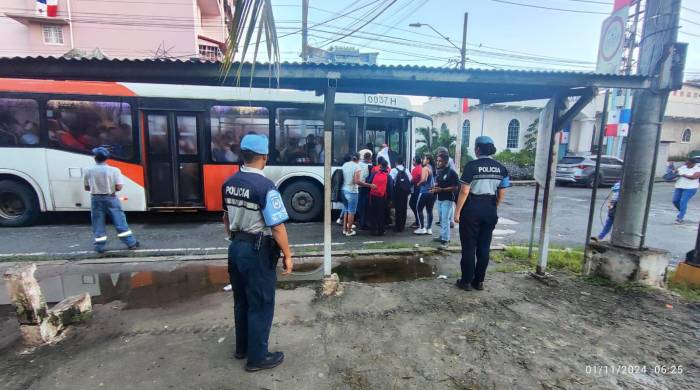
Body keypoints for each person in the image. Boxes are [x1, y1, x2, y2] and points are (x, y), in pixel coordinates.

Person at [222, 134, 293, 372]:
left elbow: (225, 217)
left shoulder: (229, 183)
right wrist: (288, 255)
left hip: (236, 247)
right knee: (261, 304)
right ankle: (258, 358)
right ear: (264, 157)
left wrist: (233, 237)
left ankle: (242, 348)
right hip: (257, 251)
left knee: (241, 301)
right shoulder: (265, 186)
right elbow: (277, 226)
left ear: (243, 155)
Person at [454, 136, 509, 291]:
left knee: (469, 247)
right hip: (490, 208)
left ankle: (466, 282)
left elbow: (464, 191)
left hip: (472, 208)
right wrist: (494, 206)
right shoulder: (500, 167)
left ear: (478, 149)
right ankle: (479, 282)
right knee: (484, 247)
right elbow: (502, 193)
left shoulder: (472, 166)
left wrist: (457, 212)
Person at [83, 147, 139, 253]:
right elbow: (118, 187)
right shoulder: (114, 170)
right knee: (119, 221)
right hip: (111, 198)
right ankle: (131, 243)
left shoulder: (88, 171)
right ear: (107, 158)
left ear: (95, 158)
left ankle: (99, 247)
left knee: (98, 223)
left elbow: (86, 188)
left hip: (95, 199)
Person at [341, 153, 375, 236]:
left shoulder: (345, 164)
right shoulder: (357, 167)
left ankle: (344, 229)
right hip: (352, 191)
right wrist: (369, 185)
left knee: (346, 210)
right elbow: (357, 181)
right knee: (352, 212)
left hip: (343, 190)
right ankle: (349, 231)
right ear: (358, 159)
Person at [431, 153, 459, 246]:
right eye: (437, 160)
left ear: (446, 162)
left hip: (448, 199)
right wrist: (435, 187)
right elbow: (439, 183)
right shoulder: (440, 171)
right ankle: (442, 236)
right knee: (441, 219)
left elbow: (455, 187)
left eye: (440, 161)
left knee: (445, 220)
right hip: (439, 198)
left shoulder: (452, 172)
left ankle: (446, 240)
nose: (437, 163)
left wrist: (442, 189)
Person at [368, 158, 394, 236]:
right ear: (387, 167)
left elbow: (369, 182)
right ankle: (381, 231)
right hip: (382, 197)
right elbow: (390, 188)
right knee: (381, 214)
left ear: (380, 166)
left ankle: (372, 230)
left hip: (373, 196)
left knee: (373, 213)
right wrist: (390, 199)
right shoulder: (388, 176)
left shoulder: (374, 174)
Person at [672, 158, 700, 224]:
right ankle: (682, 211)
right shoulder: (683, 167)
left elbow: (693, 177)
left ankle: (680, 218)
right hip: (679, 186)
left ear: (693, 164)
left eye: (689, 164)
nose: (687, 165)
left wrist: (683, 175)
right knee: (675, 201)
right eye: (686, 163)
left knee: (683, 201)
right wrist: (676, 170)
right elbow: (674, 172)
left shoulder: (697, 169)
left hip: (690, 188)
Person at [414, 154, 436, 235]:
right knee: (429, 210)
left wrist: (418, 183)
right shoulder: (432, 168)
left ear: (428, 160)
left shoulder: (425, 168)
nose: (423, 160)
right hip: (432, 193)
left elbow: (424, 180)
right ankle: (429, 228)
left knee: (418, 209)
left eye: (424, 159)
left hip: (424, 192)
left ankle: (422, 228)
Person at [390, 157, 411, 232]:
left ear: (396, 163)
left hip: (397, 192)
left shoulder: (393, 170)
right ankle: (403, 225)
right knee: (404, 208)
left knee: (398, 208)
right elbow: (410, 180)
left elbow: (390, 180)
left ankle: (398, 226)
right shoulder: (407, 170)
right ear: (403, 163)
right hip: (405, 192)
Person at [357, 151, 373, 230]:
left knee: (360, 205)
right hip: (366, 187)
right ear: (370, 158)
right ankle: (364, 223)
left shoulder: (359, 164)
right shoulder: (370, 166)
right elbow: (370, 177)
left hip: (359, 186)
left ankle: (360, 222)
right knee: (365, 206)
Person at [409, 156, 422, 229]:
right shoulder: (421, 167)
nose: (412, 162)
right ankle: (417, 220)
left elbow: (412, 180)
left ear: (415, 161)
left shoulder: (416, 169)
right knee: (415, 205)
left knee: (413, 204)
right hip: (419, 189)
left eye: (413, 161)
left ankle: (418, 221)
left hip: (417, 189)